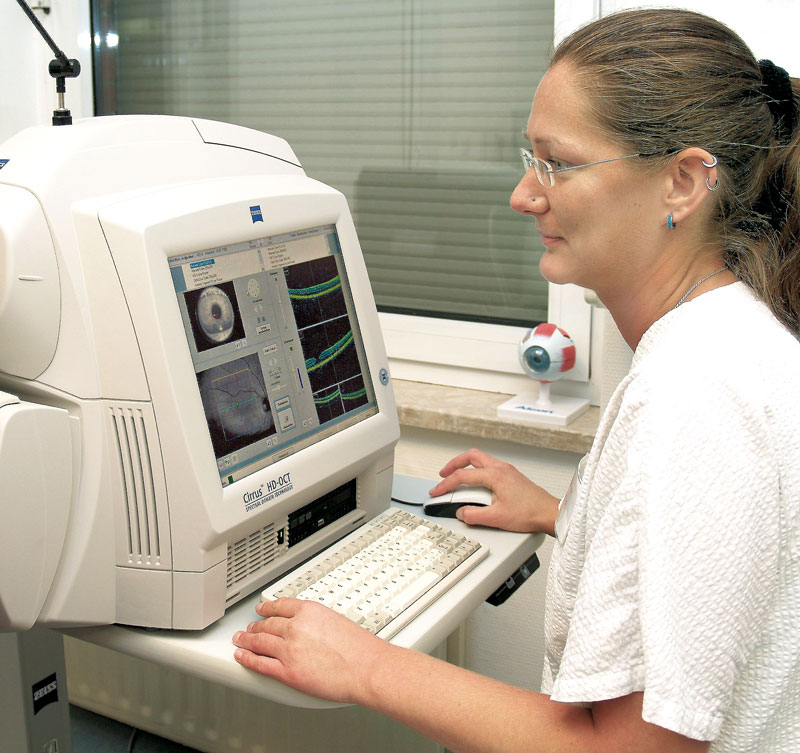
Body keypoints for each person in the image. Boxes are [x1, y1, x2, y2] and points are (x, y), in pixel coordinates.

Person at [232, 8, 800, 752]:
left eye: (556, 163)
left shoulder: (695, 393)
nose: (524, 195)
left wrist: (366, 665)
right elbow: (721, 559)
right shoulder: (735, 333)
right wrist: (571, 512)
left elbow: (632, 750)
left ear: (683, 181)